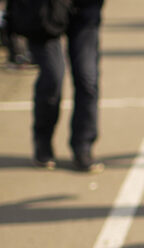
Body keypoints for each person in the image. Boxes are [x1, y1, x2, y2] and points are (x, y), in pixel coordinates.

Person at [15, 0, 105, 172]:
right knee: (53, 77)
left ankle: (83, 147)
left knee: (87, 79)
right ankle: (42, 141)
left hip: (85, 9)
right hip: (43, 9)